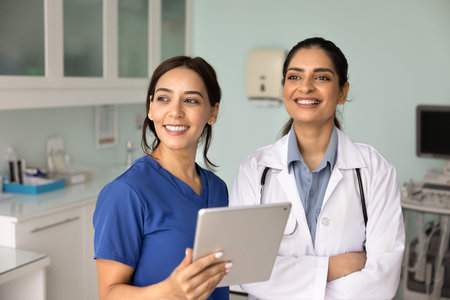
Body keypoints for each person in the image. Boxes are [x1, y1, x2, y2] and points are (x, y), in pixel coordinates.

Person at [230, 37, 405, 300]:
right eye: (294, 77)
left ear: (343, 92)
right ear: (284, 89)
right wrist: (333, 268)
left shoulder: (375, 170)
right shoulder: (255, 171)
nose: (306, 87)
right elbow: (246, 272)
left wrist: (291, 278)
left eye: (321, 78)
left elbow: (381, 281)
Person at [93, 56, 231, 300]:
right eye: (164, 98)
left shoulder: (218, 189)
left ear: (213, 112)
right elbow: (109, 294)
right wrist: (171, 291)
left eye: (190, 100)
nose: (175, 111)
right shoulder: (126, 193)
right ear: (150, 107)